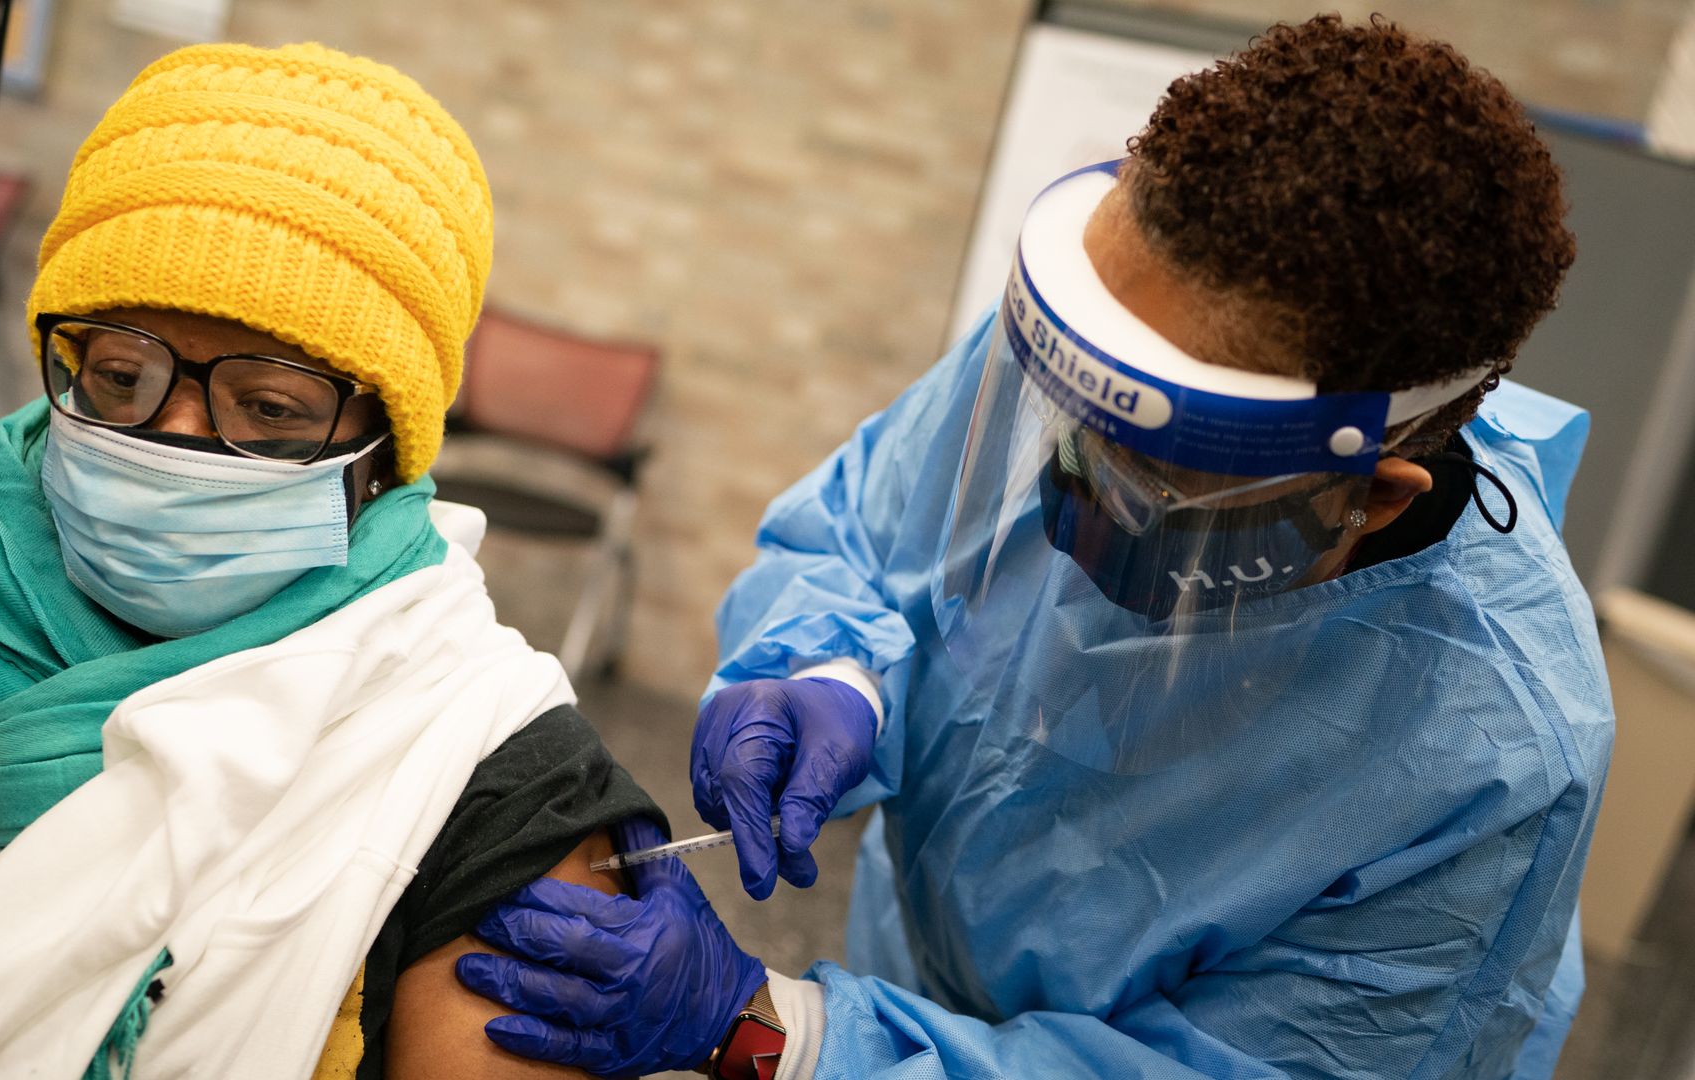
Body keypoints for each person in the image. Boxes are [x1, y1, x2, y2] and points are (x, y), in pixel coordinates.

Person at [456, 16, 1613, 1080]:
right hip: (908, 973)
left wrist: (785, 1032)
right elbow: (869, 532)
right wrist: (830, 668)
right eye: (1062, 424)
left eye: (1142, 475)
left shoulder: (1494, 770)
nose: (1061, 479)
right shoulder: (1112, 356)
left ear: (1367, 495)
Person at [0, 42, 664, 1079]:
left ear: (384, 449)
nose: (176, 440)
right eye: (120, 373)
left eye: (271, 406)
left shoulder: (481, 773)